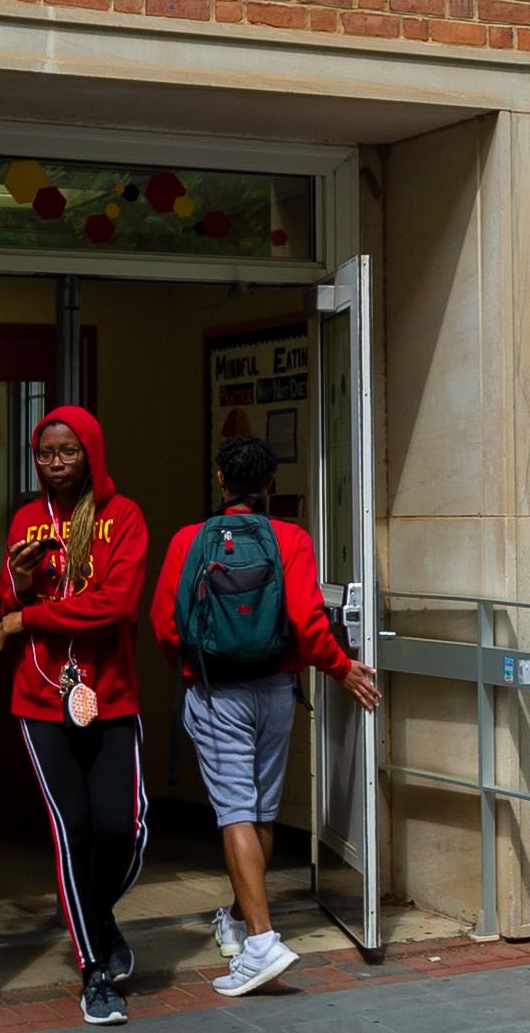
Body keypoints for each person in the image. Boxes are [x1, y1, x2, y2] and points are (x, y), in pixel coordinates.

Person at [152, 428, 382, 998]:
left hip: (217, 692)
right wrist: (339, 667)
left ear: (222, 479)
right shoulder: (292, 539)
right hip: (277, 690)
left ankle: (259, 943)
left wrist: (193, 668)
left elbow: (164, 625)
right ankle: (238, 921)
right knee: (261, 811)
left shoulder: (190, 540)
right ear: (270, 483)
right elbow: (307, 623)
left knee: (234, 813)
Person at [0, 402, 154, 1024]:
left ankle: (95, 916)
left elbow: (116, 604)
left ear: (91, 453)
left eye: (67, 451)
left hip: (110, 694)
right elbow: (4, 607)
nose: (55, 463)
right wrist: (20, 579)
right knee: (73, 831)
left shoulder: (124, 517)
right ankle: (94, 973)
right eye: (45, 453)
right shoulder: (29, 519)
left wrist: (30, 613)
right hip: (40, 698)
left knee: (126, 828)